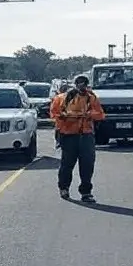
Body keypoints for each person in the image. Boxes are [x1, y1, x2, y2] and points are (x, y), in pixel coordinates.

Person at [52, 74, 104, 203]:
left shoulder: (91, 98)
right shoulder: (62, 98)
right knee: (66, 164)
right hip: (68, 135)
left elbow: (101, 115)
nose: (82, 86)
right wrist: (65, 116)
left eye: (84, 83)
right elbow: (54, 113)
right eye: (79, 83)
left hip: (86, 135)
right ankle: (64, 188)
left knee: (87, 165)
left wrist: (89, 114)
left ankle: (86, 192)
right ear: (75, 84)